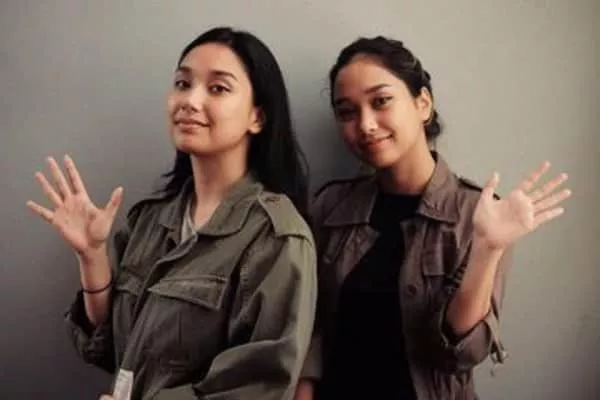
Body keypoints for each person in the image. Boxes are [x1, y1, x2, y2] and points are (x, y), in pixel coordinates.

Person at [27, 27, 317, 400]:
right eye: (182, 83)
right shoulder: (150, 219)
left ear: (257, 117)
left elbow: (259, 388)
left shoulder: (276, 237)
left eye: (218, 88)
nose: (190, 101)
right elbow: (113, 350)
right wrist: (92, 256)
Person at [294, 36, 571, 399]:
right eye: (347, 112)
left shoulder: (478, 214)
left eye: (381, 101)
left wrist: (487, 249)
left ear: (423, 103)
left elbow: (460, 354)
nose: (365, 124)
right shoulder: (329, 206)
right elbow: (307, 323)